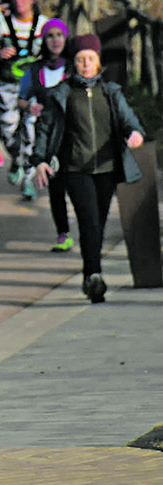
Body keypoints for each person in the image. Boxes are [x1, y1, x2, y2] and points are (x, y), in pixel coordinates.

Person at [31, 34, 145, 304]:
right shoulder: (61, 93)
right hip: (75, 169)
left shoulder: (110, 92)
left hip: (107, 168)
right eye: (81, 59)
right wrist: (40, 160)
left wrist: (135, 134)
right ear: (73, 62)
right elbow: (44, 128)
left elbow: (129, 120)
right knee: (89, 220)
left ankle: (89, 273)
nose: (85, 64)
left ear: (98, 62)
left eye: (90, 59)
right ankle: (94, 275)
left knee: (99, 222)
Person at [15, 18, 68, 206]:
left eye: (59, 35)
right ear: (44, 41)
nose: (55, 40)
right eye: (50, 36)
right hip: (42, 128)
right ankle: (29, 182)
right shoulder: (35, 70)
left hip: (67, 129)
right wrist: (30, 107)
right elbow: (21, 99)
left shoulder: (73, 67)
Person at [0, 0, 47, 180]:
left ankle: (28, 176)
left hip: (34, 86)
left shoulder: (43, 24)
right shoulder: (0, 23)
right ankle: (17, 158)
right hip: (7, 85)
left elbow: (56, 51)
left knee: (31, 128)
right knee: (8, 130)